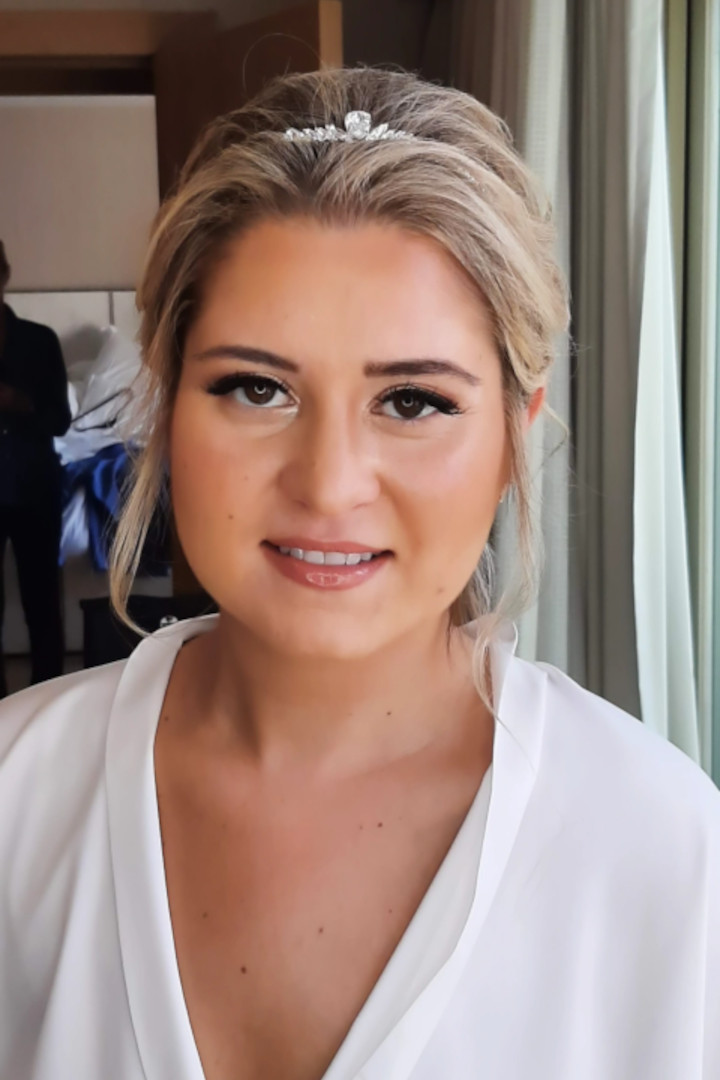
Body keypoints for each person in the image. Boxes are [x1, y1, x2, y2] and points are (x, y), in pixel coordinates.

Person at [0, 67, 718, 1080]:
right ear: (166, 403)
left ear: (515, 433)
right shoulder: (18, 796)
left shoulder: (662, 848)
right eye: (256, 388)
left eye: (413, 402)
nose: (330, 485)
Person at [0, 242, 71, 697]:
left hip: (34, 489)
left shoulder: (40, 341)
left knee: (42, 603)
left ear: (5, 274)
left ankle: (47, 699)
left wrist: (19, 403)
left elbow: (61, 420)